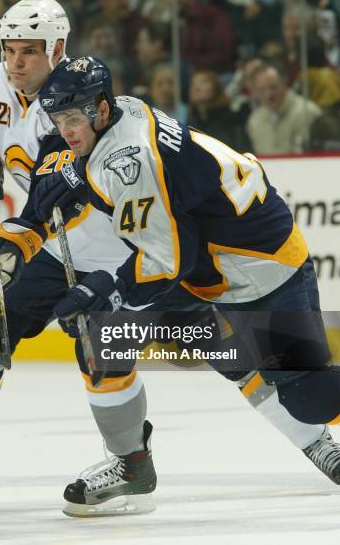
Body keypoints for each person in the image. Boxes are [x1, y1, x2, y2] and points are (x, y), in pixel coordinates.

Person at [32, 55, 340, 450]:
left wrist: (105, 290)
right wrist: (78, 175)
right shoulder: (126, 108)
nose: (66, 131)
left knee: (308, 397)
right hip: (226, 256)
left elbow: (168, 259)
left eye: (73, 119)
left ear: (101, 108)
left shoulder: (131, 160)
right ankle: (131, 462)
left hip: (260, 265)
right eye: (58, 122)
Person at [0, 0, 155, 518]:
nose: (16, 62)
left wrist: (15, 237)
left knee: (101, 353)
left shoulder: (79, 100)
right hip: (51, 246)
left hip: (118, 251)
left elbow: (60, 191)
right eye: (9, 50)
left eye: (29, 51)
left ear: (57, 49)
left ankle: (130, 465)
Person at [248, 62, 322, 154]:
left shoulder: (307, 112)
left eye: (273, 87)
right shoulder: (255, 120)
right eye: (262, 89)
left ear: (284, 84)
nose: (269, 95)